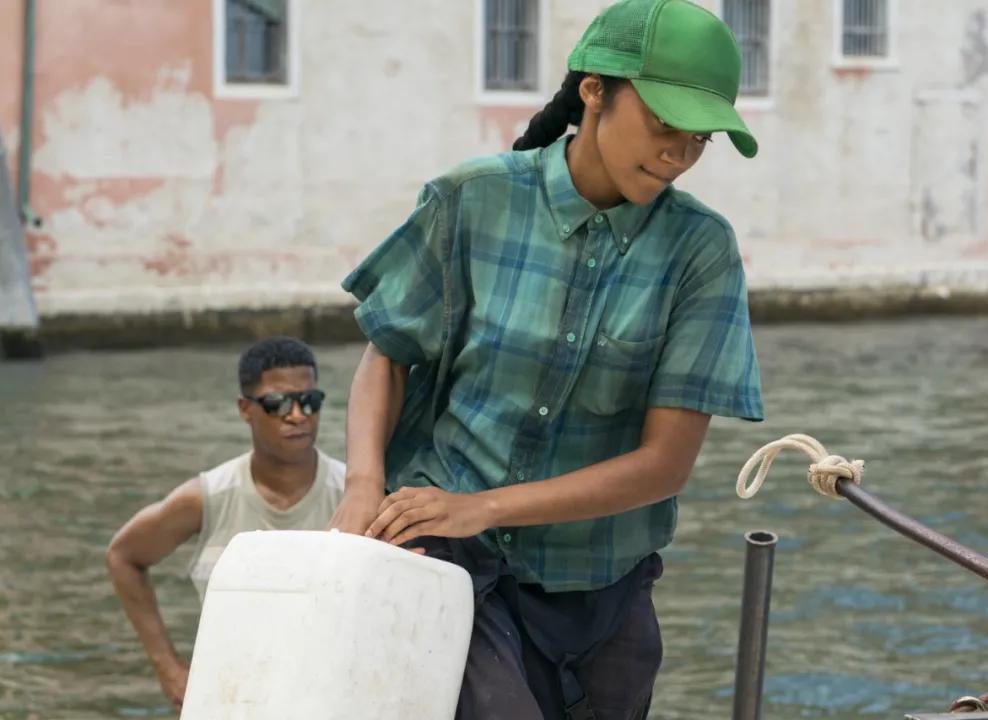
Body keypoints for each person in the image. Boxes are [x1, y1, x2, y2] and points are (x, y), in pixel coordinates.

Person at [330, 0, 764, 717]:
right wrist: (364, 486)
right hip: (451, 562)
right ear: (594, 90)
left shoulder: (702, 252)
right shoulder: (471, 199)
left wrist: (484, 506)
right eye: (662, 126)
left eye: (699, 140)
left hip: (605, 587)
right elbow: (389, 356)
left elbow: (665, 466)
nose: (678, 156)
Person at [106, 336, 345, 711]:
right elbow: (123, 557)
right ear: (245, 409)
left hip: (333, 698)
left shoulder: (352, 495)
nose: (297, 415)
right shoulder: (207, 498)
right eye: (278, 403)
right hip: (230, 698)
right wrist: (168, 668)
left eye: (309, 401)